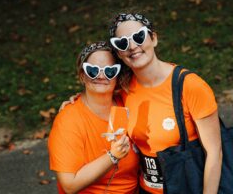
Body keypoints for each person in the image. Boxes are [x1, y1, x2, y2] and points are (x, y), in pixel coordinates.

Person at [61, 13, 223, 194]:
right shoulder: (123, 89)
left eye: (138, 37)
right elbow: (97, 89)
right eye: (122, 43)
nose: (132, 46)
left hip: (188, 188)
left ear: (153, 38)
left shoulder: (190, 86)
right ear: (119, 53)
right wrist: (76, 100)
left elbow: (215, 153)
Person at [48, 41, 139, 194]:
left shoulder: (127, 103)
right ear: (82, 75)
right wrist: (112, 156)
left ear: (117, 76)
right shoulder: (68, 120)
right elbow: (70, 185)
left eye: (110, 71)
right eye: (92, 70)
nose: (101, 76)